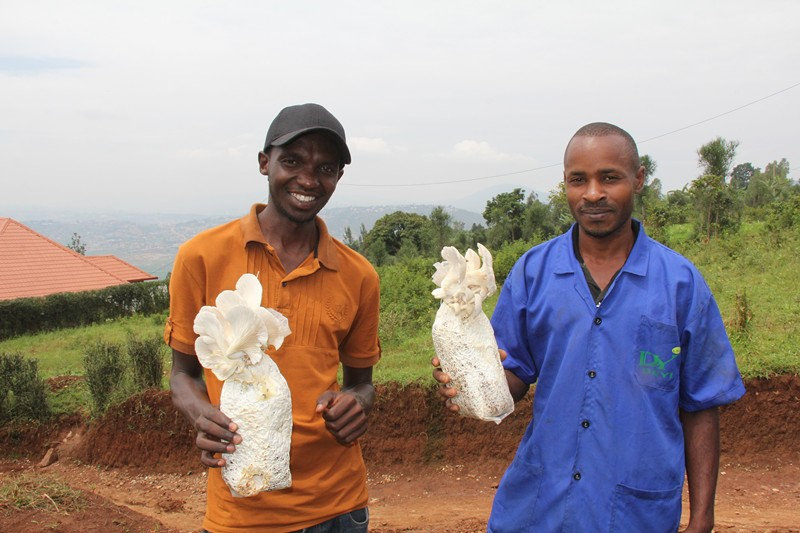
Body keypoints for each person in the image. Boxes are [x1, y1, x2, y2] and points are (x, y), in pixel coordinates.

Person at [433, 122, 745, 533]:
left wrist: (702, 518)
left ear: (638, 179)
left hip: (636, 512)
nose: (593, 193)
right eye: (578, 180)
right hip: (538, 508)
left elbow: (701, 406)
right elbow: (513, 376)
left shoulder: (680, 285)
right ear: (565, 185)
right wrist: (468, 378)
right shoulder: (534, 272)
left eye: (609, 178)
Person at [165, 103, 380, 533]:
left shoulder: (359, 275)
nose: (308, 179)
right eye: (293, 161)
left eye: (326, 168)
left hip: (338, 508)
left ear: (338, 178)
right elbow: (182, 375)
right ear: (265, 163)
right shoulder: (201, 258)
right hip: (241, 510)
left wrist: (356, 404)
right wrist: (201, 415)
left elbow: (362, 383)